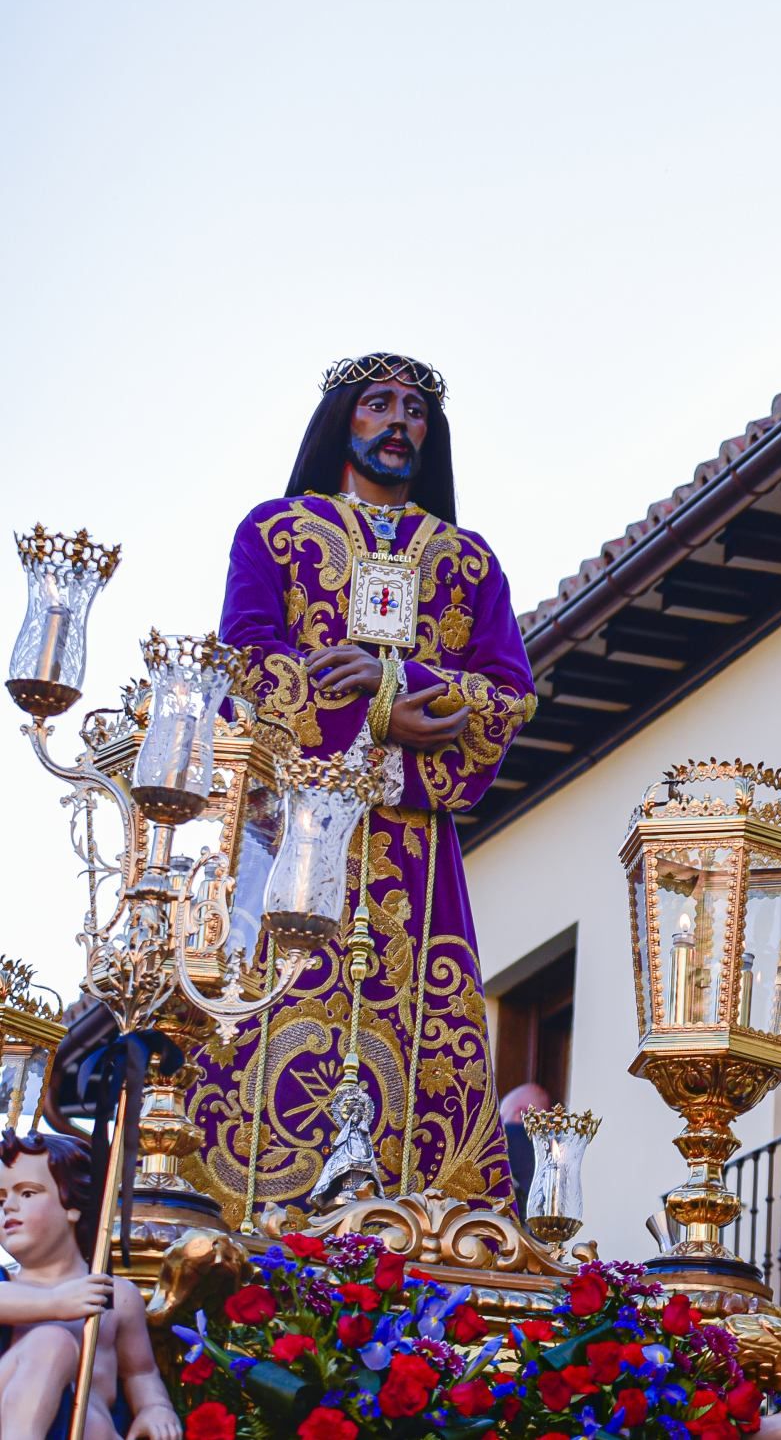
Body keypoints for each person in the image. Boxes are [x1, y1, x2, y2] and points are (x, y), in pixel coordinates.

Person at [185, 353, 536, 1220]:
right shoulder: (274, 532)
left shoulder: (467, 561)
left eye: (415, 411)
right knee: (270, 1007)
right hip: (298, 831)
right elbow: (248, 668)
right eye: (379, 404)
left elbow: (507, 696)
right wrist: (386, 716)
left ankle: (420, 1218)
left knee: (422, 1036)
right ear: (345, 419)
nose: (399, 424)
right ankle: (250, 1210)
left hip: (417, 862)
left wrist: (395, 683)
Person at [0, 1132, 179, 1440]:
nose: (9, 1207)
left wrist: (155, 1408)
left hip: (91, 1430)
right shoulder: (9, 1282)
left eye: (27, 1193)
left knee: (94, 1422)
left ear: (74, 1204)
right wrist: (55, 1303)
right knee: (50, 1343)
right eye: (1, 1199)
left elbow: (140, 1372)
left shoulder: (116, 1295)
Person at [499, 1081, 552, 1209]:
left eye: (500, 1116)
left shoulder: (511, 1133)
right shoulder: (551, 1153)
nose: (498, 1124)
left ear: (520, 1114)